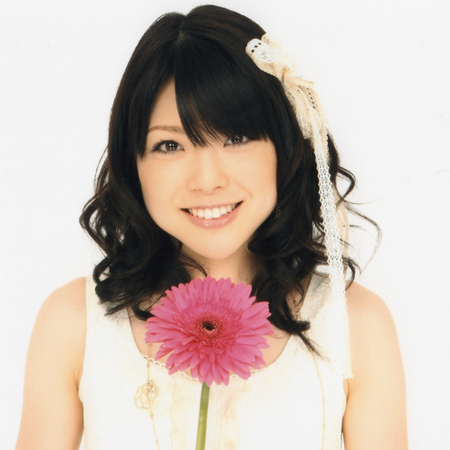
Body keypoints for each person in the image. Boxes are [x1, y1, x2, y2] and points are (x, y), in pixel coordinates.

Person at [16, 5, 407, 449]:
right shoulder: (73, 324)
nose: (207, 180)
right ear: (133, 164)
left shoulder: (356, 325)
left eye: (236, 138)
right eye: (169, 145)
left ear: (283, 147)